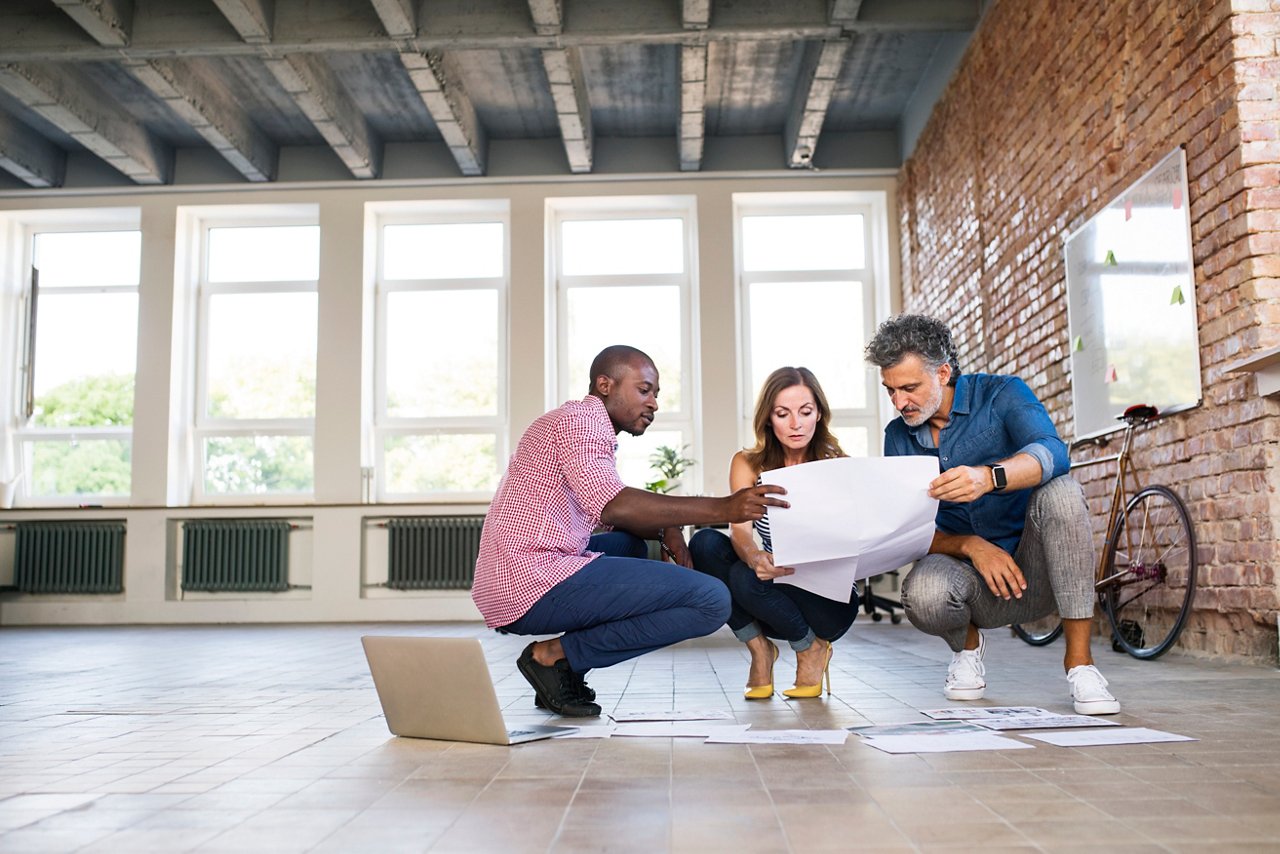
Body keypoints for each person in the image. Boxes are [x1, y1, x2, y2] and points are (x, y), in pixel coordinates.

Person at [472, 345, 788, 717]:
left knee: (630, 545)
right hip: (529, 581)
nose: (653, 403)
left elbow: (606, 511)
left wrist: (667, 526)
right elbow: (614, 504)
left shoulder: (576, 422)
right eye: (644, 390)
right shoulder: (581, 422)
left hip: (512, 574)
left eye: (656, 394)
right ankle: (553, 657)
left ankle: (563, 666)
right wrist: (726, 506)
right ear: (605, 385)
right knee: (711, 601)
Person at [864, 314, 1120, 714]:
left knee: (1063, 493)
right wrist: (970, 546)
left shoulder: (1002, 394)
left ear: (944, 372)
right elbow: (910, 530)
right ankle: (966, 649)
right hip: (971, 580)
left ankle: (1081, 664)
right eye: (890, 391)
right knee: (923, 594)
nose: (900, 402)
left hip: (1041, 570)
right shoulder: (898, 437)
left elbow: (1053, 452)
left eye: (909, 388)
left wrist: (990, 477)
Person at [688, 367, 859, 700]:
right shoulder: (748, 464)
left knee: (745, 577)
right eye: (783, 414)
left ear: (819, 414)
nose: (796, 424)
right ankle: (759, 648)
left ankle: (812, 648)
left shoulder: (836, 464)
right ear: (769, 417)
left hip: (828, 603)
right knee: (705, 544)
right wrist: (756, 557)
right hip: (769, 596)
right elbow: (740, 532)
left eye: (805, 412)